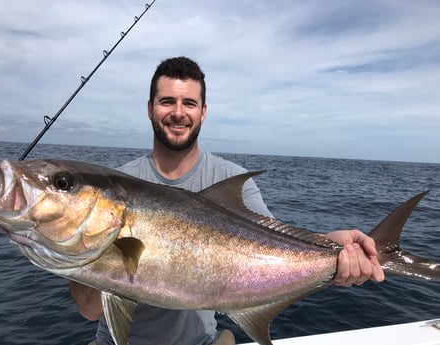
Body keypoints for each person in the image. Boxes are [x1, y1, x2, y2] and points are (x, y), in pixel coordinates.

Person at [69, 56, 385, 345]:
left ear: (203, 112)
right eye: (167, 101)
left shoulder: (231, 179)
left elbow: (272, 248)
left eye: (189, 103)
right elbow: (88, 310)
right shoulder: (112, 185)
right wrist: (100, 257)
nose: (178, 112)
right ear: (150, 108)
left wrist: (330, 247)